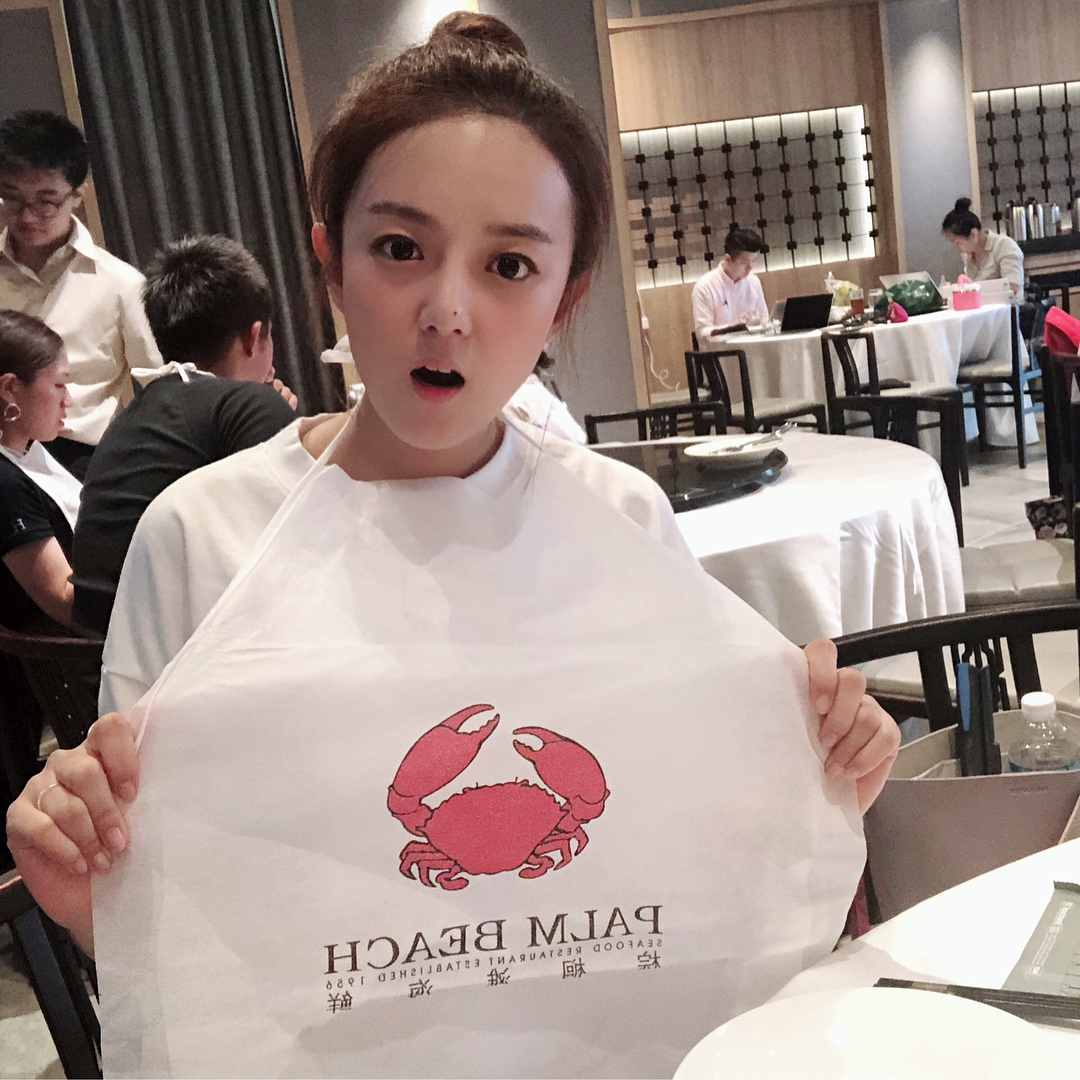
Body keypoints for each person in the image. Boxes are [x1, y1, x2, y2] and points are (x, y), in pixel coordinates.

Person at [7, 15, 899, 1076]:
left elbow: (691, 854)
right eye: (400, 249)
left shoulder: (620, 519)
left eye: (509, 264)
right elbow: (174, 921)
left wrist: (816, 772)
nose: (447, 311)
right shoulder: (201, 535)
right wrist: (83, 881)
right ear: (330, 261)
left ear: (566, 299)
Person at [69, 235, 298, 637]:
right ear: (254, 336)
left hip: (101, 650)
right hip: (180, 652)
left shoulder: (132, 417)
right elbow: (295, 546)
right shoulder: (248, 405)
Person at [0, 111, 162, 479]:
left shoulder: (121, 285)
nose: (27, 217)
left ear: (77, 195)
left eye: (45, 202)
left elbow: (161, 388)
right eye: (10, 198)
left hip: (82, 464)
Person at [0, 309, 78, 630]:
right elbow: (65, 601)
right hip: (52, 655)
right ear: (10, 388)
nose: (69, 401)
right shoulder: (6, 482)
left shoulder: (31, 448)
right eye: (59, 384)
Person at [691, 225, 770, 342]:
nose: (750, 267)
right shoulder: (705, 287)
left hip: (753, 346)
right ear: (728, 260)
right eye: (745, 263)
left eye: (754, 261)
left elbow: (765, 320)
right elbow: (703, 333)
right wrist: (733, 328)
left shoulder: (753, 281)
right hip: (722, 349)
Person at [942, 197, 1024, 301]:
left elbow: (1012, 287)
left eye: (957, 242)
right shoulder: (968, 254)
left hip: (1008, 307)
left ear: (973, 234)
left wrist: (974, 289)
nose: (956, 247)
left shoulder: (1004, 245)